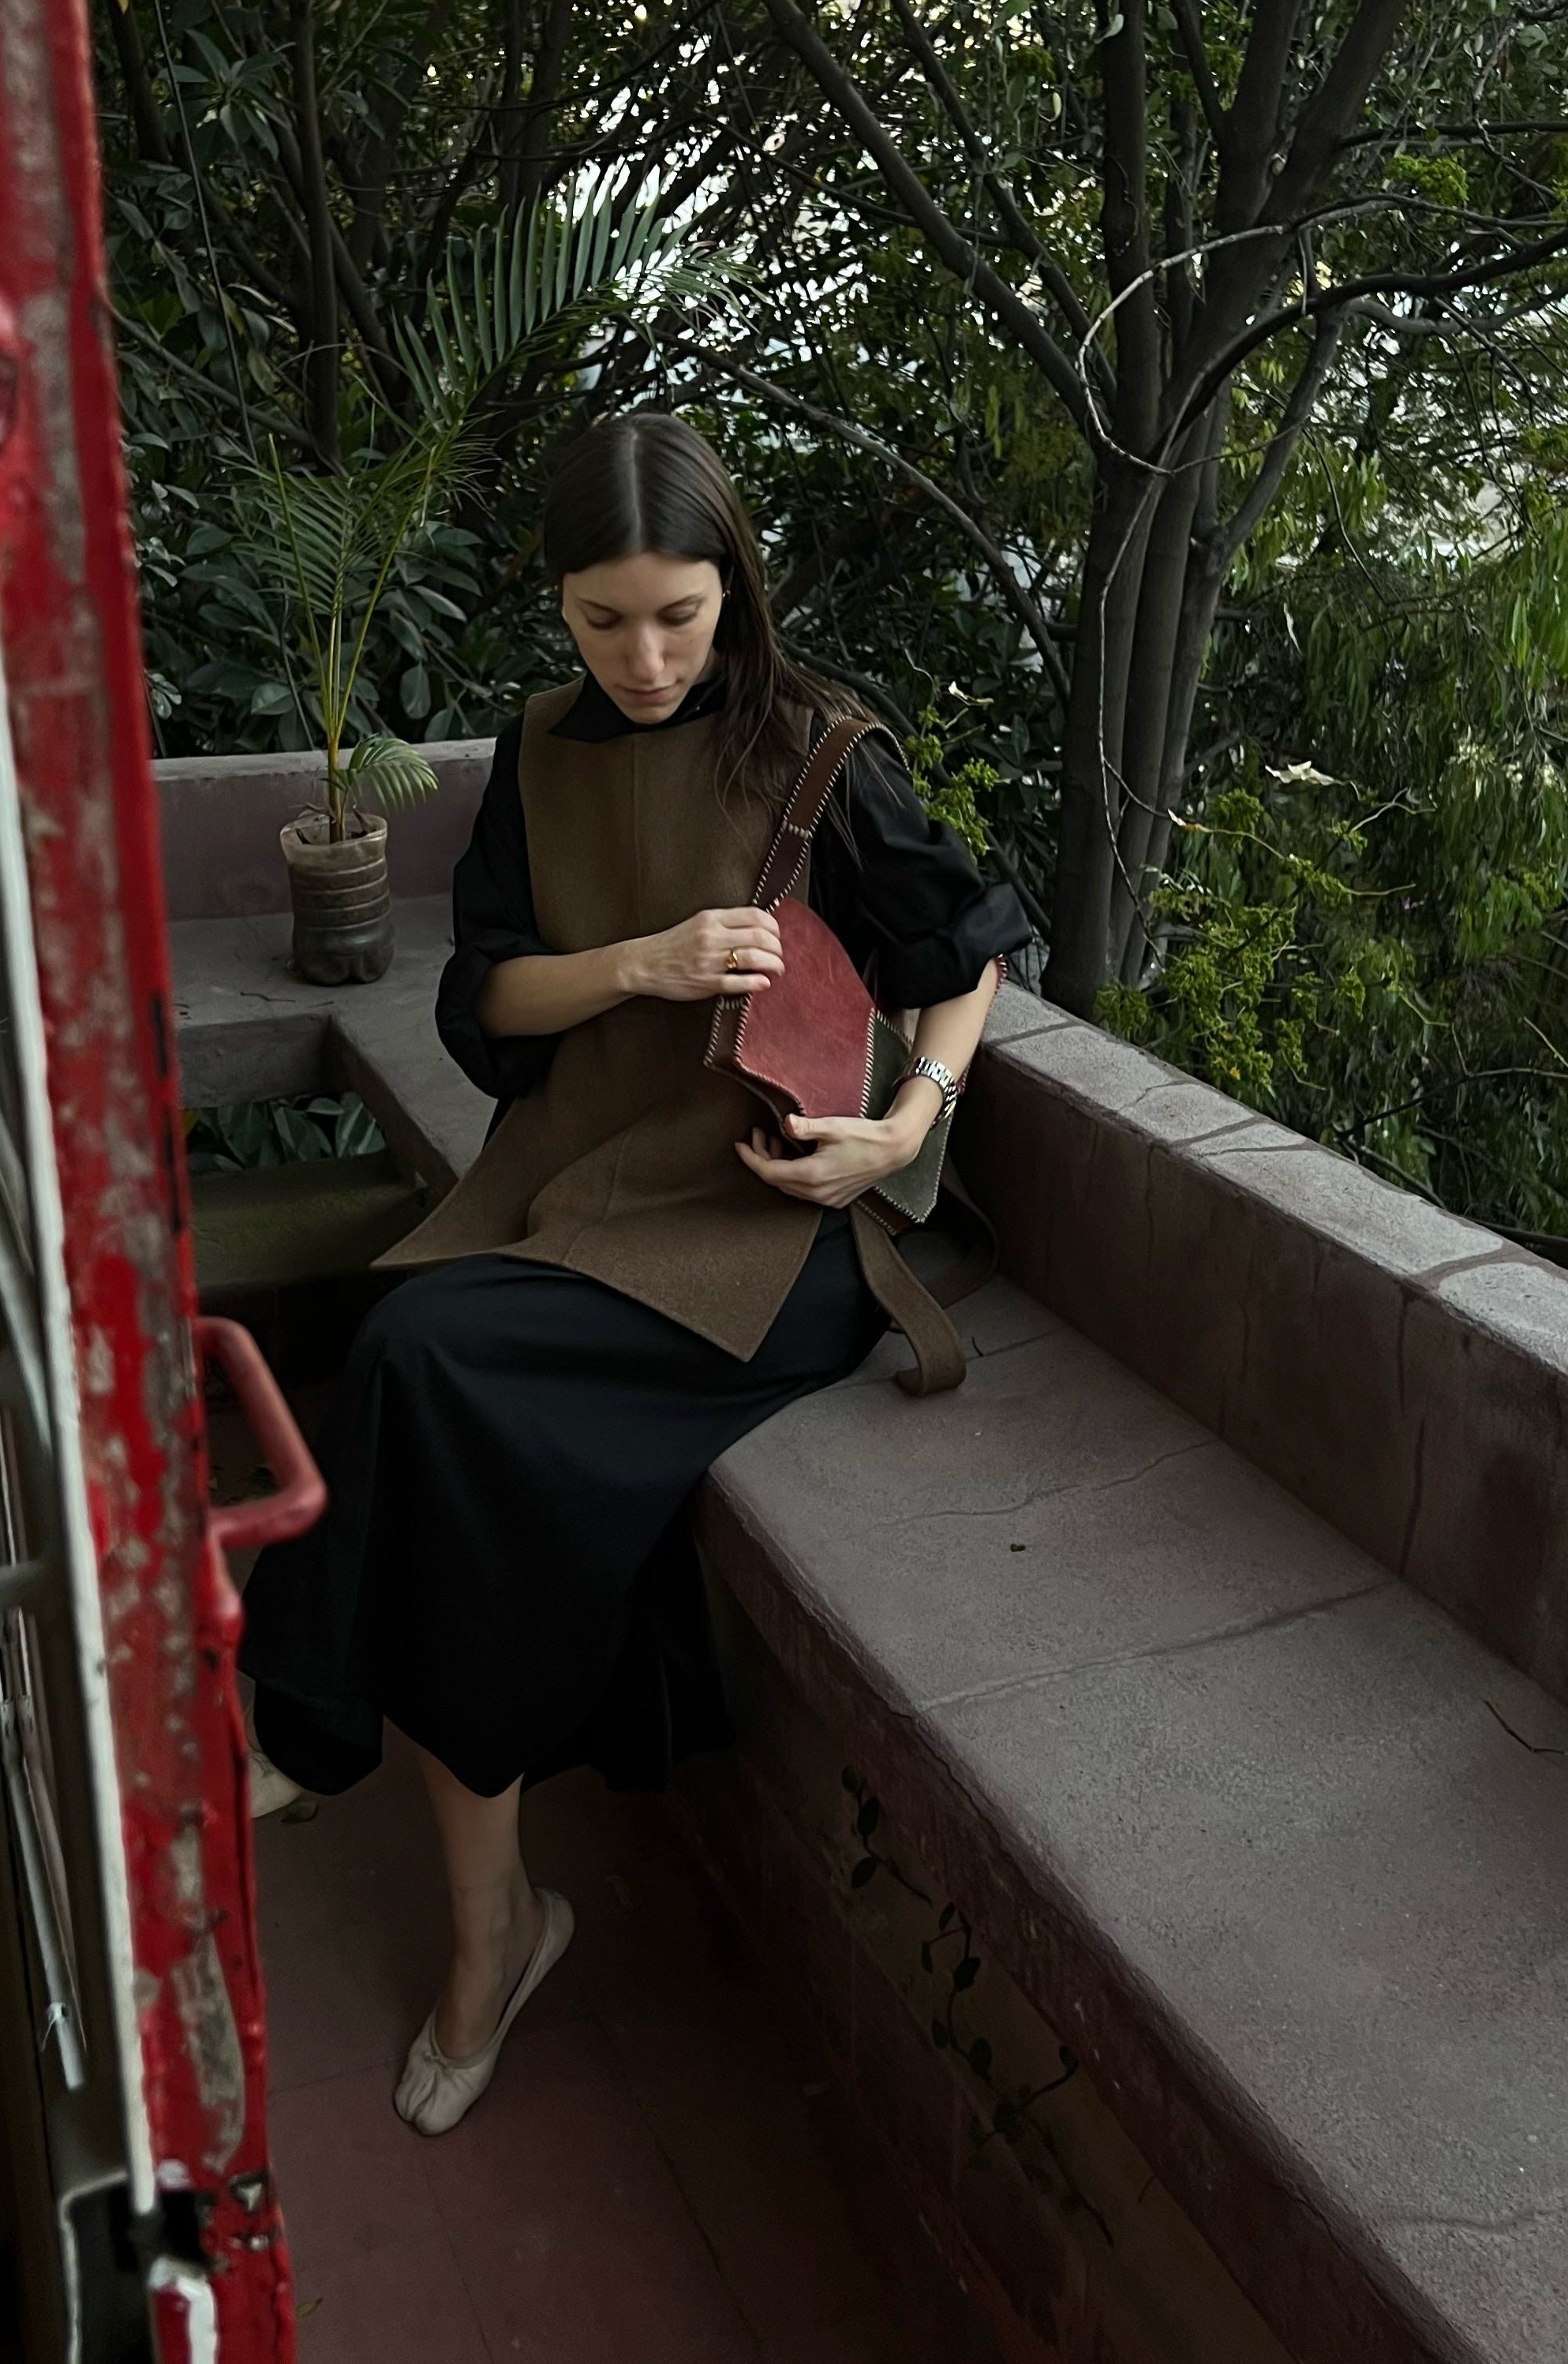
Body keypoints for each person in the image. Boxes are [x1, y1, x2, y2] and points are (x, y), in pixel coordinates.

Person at [238, 410, 1031, 2135]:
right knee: (448, 1420)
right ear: (561, 608)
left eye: (677, 613)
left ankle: (320, 1743)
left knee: (416, 1355)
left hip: (770, 1230)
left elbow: (963, 950)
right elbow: (490, 1004)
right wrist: (646, 961)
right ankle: (487, 1925)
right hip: (590, 1191)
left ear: (729, 583)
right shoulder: (535, 750)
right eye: (605, 620)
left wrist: (904, 1129)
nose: (647, 655)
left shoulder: (817, 745)